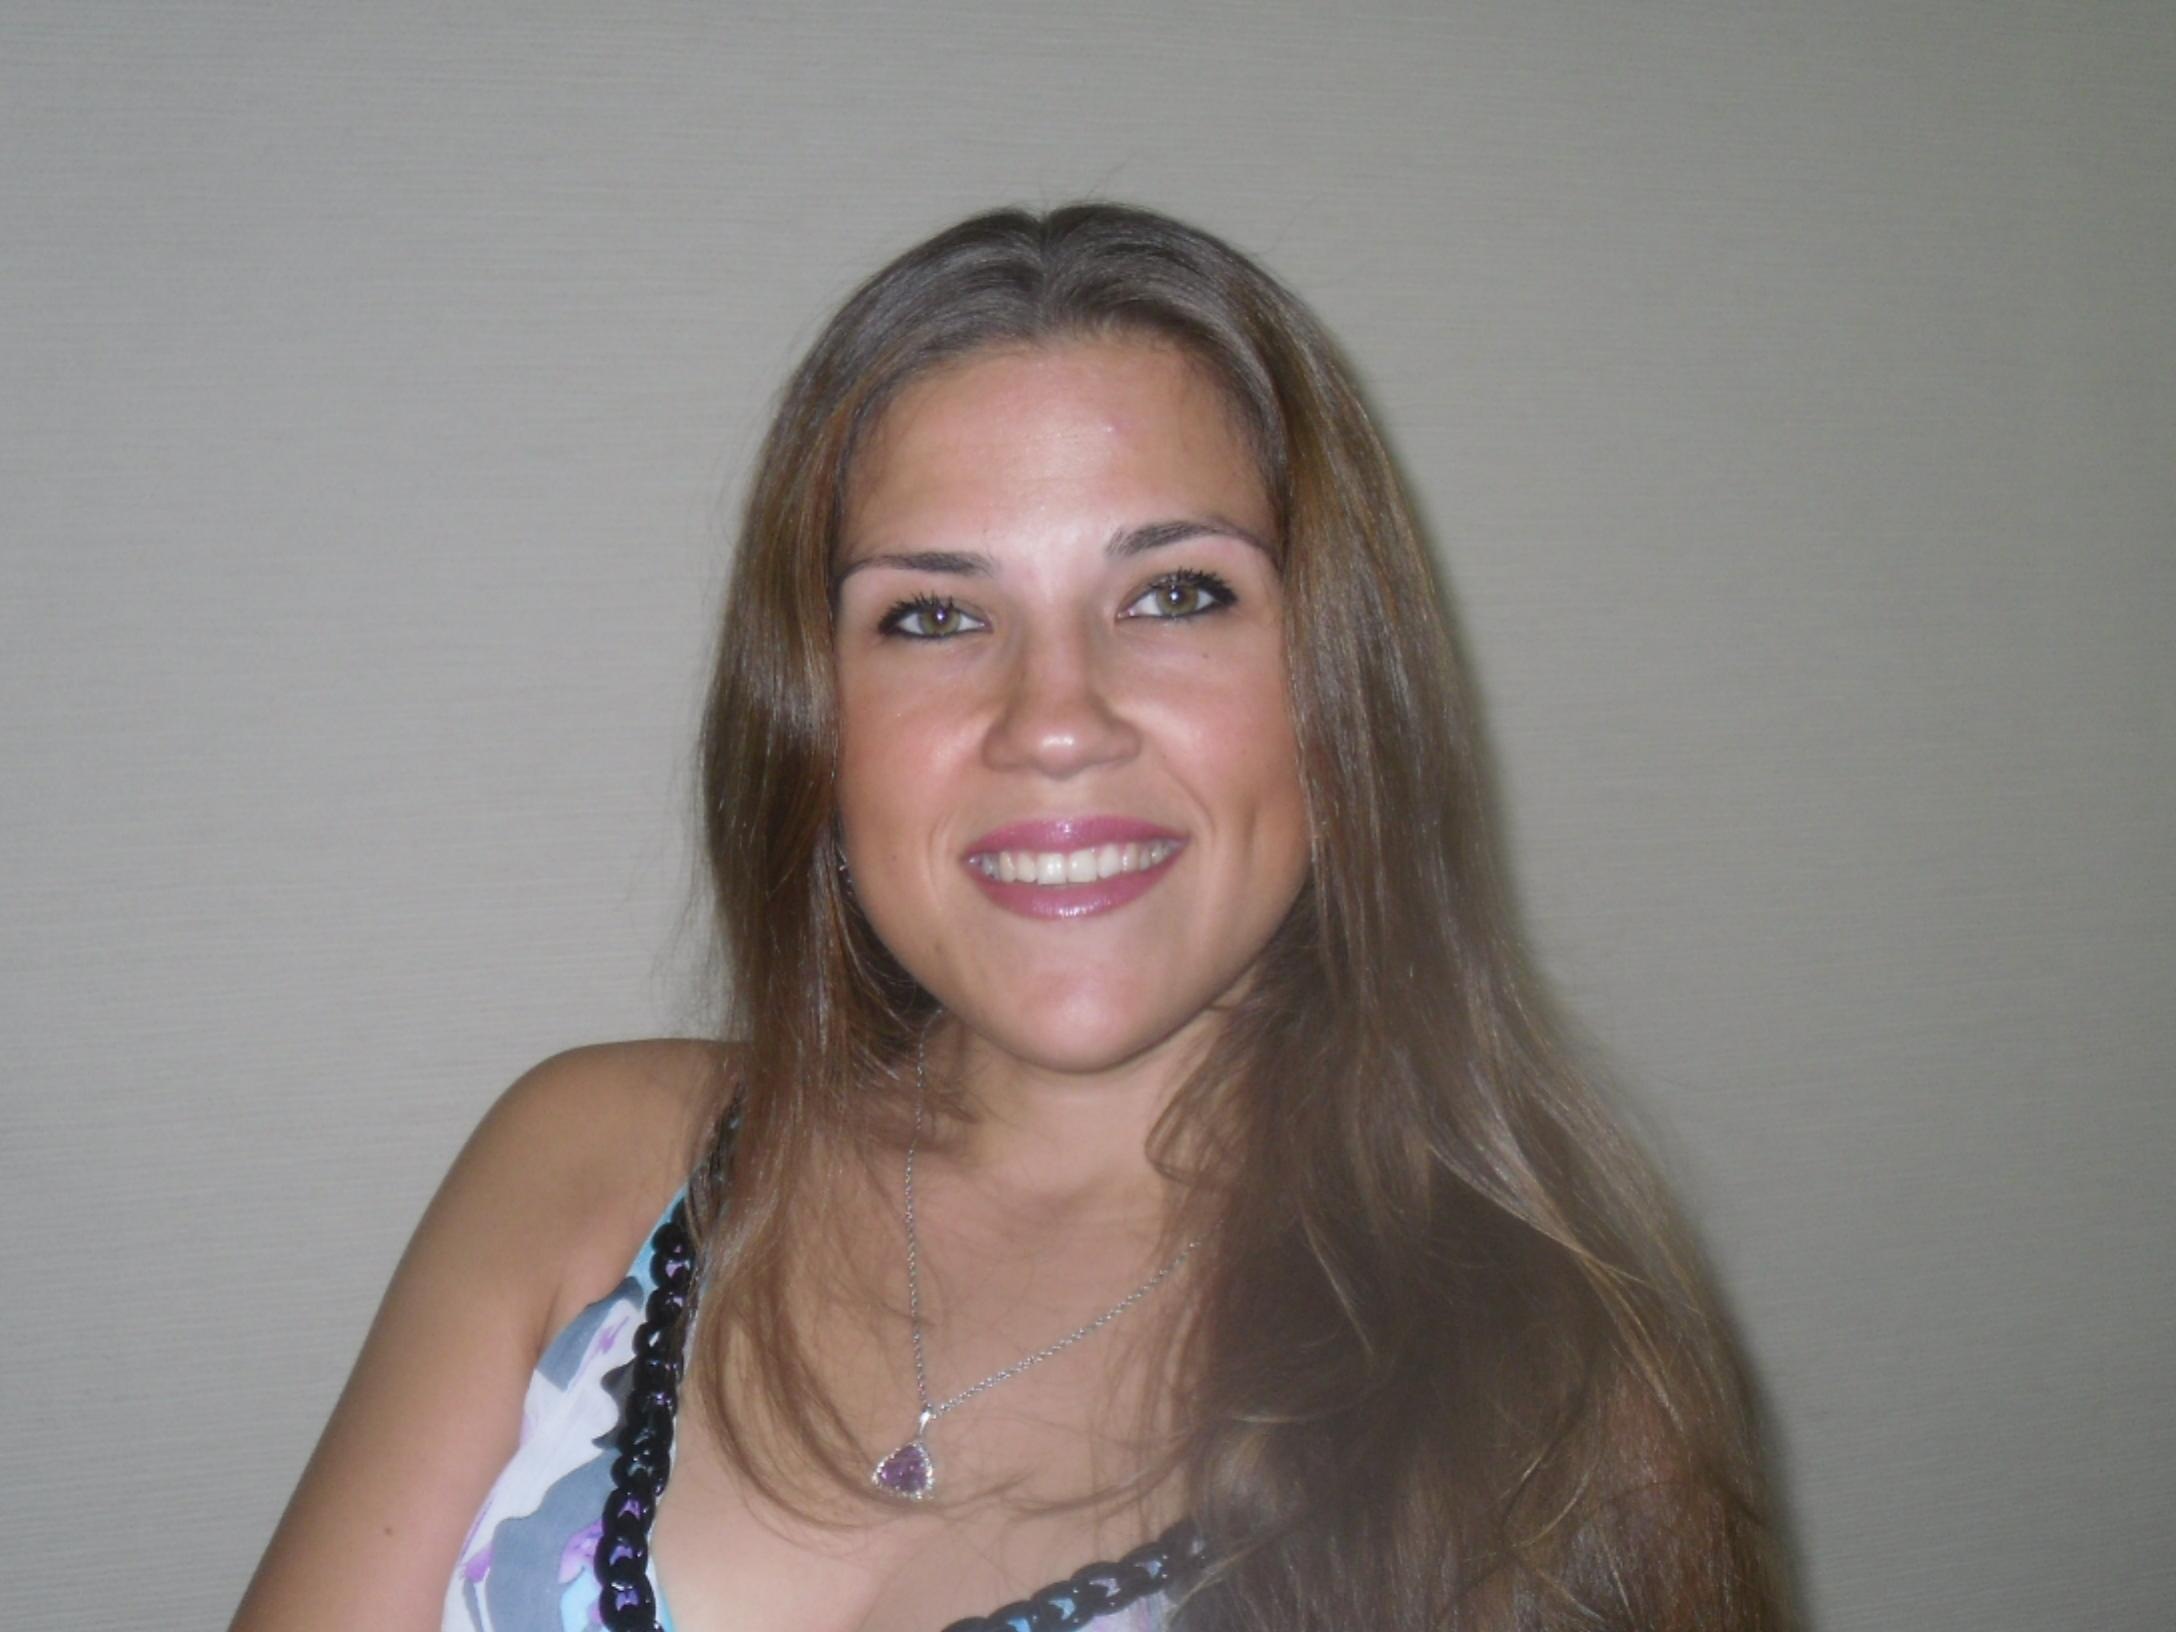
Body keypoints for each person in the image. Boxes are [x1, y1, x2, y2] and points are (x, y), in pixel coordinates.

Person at [231, 202, 1788, 1632]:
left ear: (1341, 692)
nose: (1054, 721)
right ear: (813, 727)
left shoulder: (1554, 1401)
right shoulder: (583, 1165)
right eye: (934, 616)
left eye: (1175, 594)